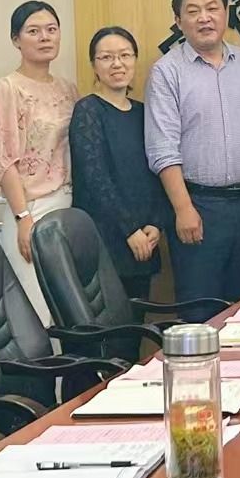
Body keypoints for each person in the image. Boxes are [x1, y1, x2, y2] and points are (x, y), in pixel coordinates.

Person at [146, 0, 240, 315]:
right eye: (193, 11)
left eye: (212, 8)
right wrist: (183, 208)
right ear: (178, 20)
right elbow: (162, 149)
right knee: (201, 312)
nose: (204, 18)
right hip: (198, 206)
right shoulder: (166, 71)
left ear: (226, 13)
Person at [0, 1, 78, 321]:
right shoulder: (7, 88)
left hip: (67, 205)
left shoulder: (68, 89)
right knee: (38, 309)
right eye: (34, 31)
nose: (45, 37)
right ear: (16, 39)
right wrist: (23, 217)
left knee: (69, 308)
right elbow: (4, 159)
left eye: (51, 30)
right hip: (30, 207)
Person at [70, 26, 168, 304]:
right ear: (94, 65)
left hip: (144, 238)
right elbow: (96, 178)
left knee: (137, 319)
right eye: (106, 57)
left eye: (125, 55)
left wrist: (155, 225)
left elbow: (157, 172)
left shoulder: (143, 112)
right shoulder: (88, 111)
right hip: (106, 237)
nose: (117, 64)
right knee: (110, 322)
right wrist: (129, 230)